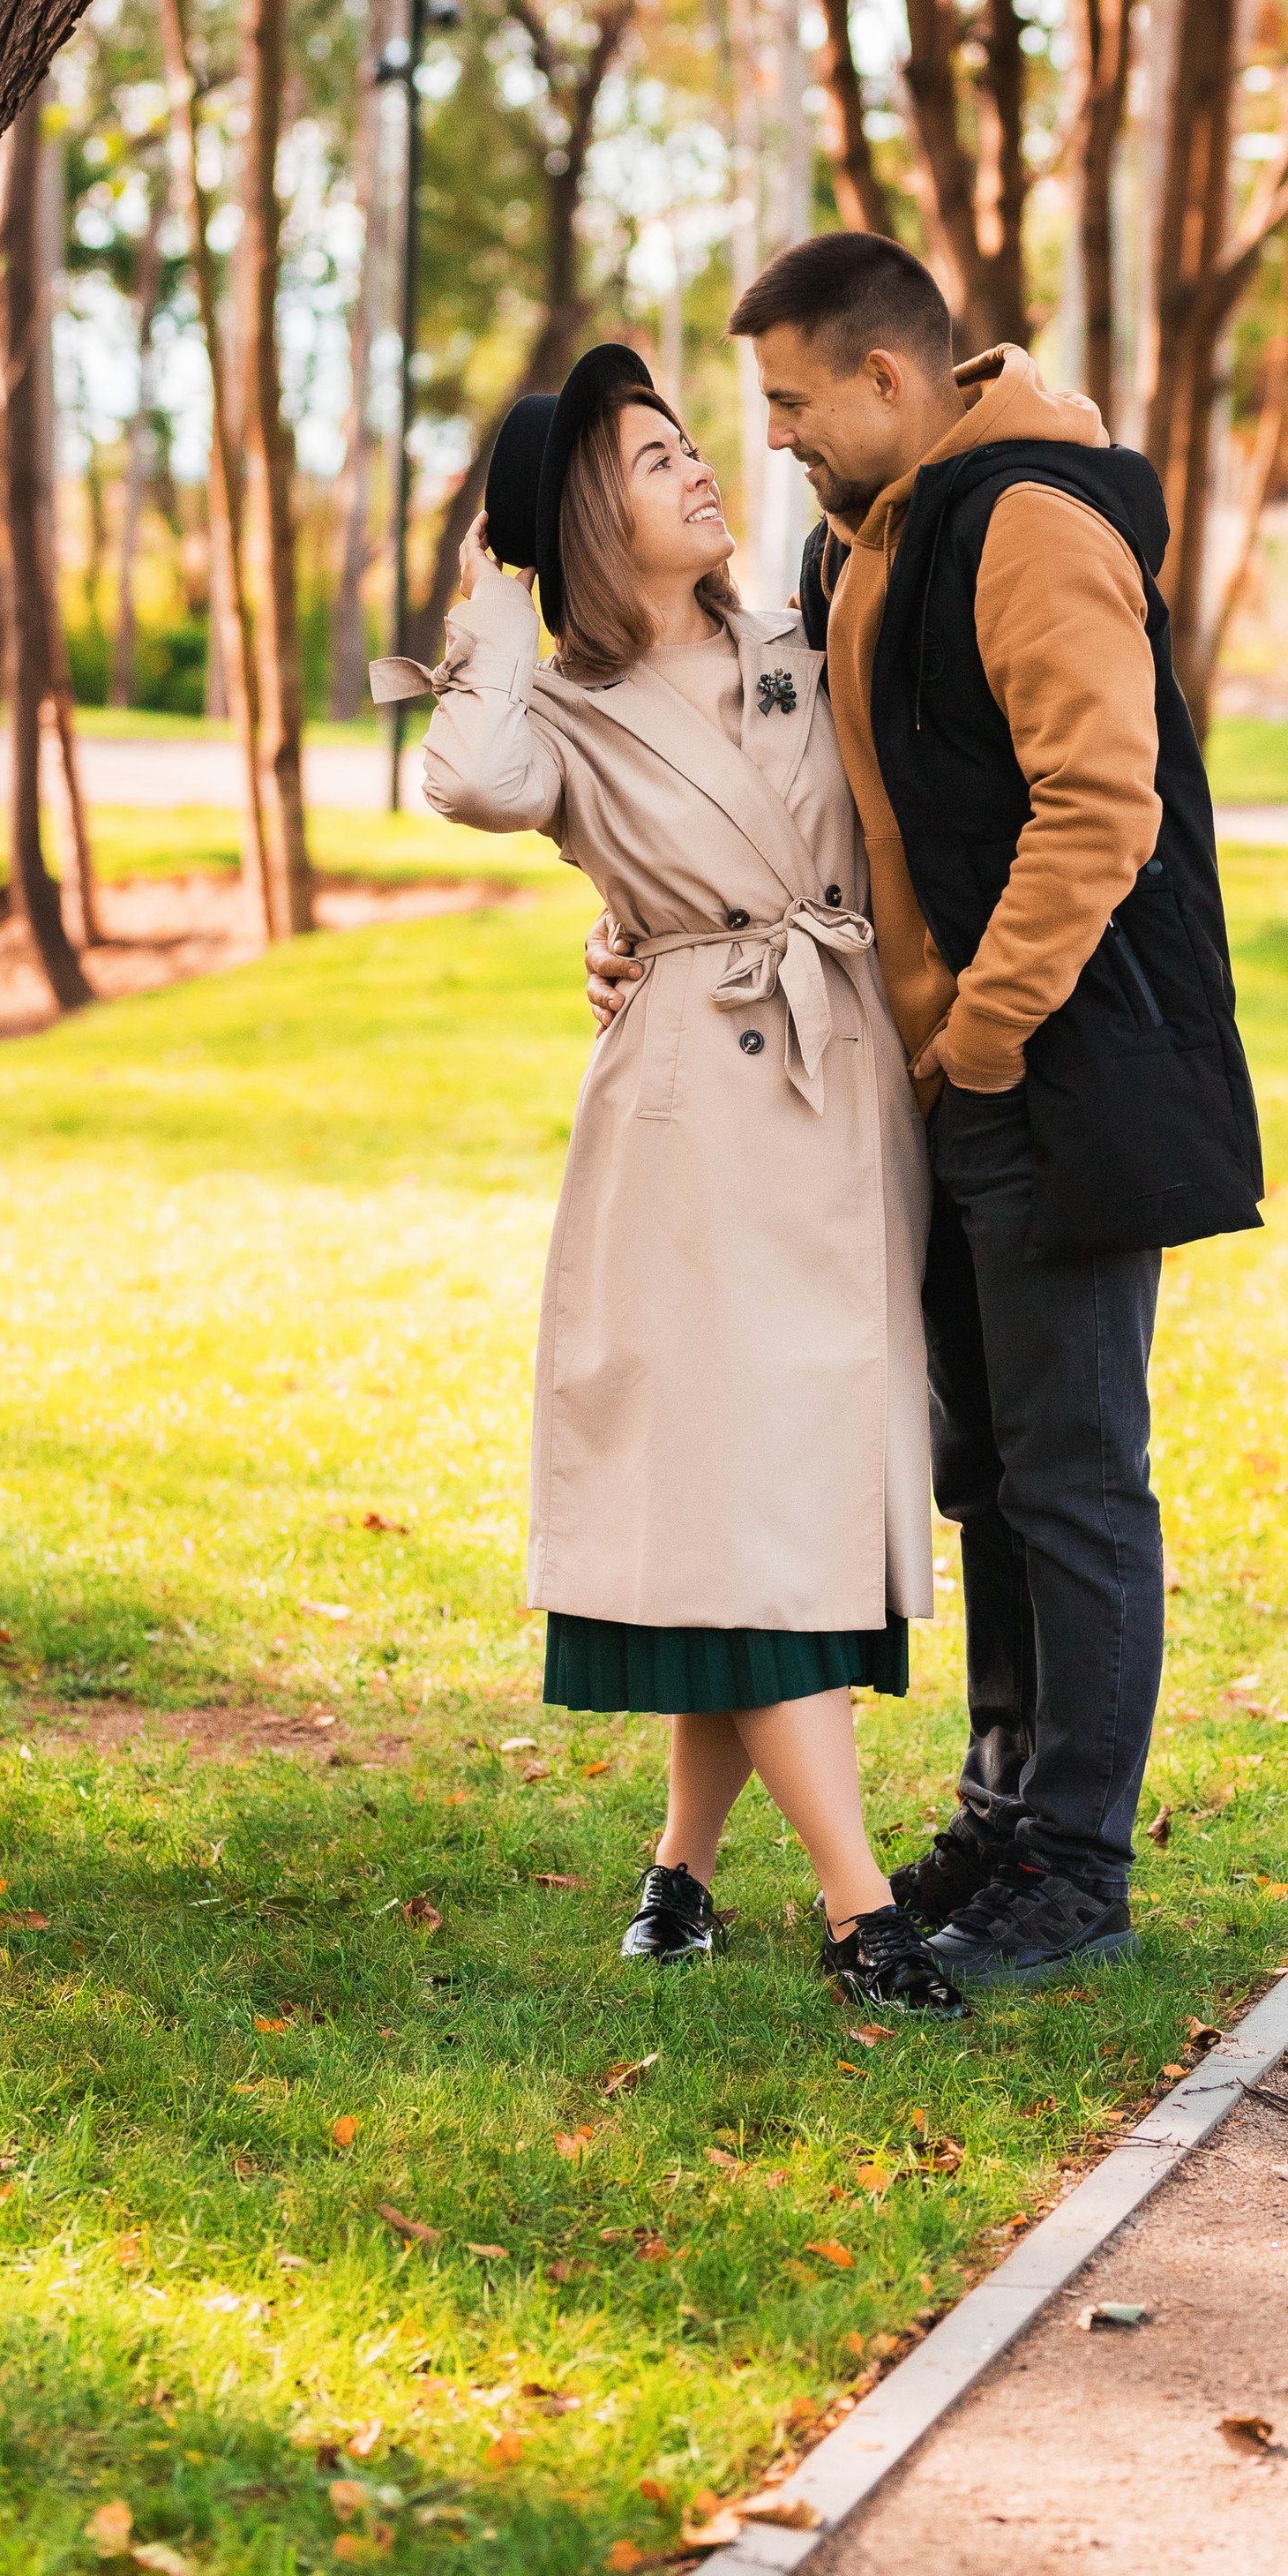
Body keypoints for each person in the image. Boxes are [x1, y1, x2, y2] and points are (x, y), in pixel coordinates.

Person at [590, 232, 1262, 1992]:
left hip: (1060, 1072)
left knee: (1075, 1477)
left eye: (799, 404)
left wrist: (975, 1031)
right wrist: (648, 922)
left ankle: (1078, 1867)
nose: (783, 440)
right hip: (946, 1088)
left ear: (887, 381)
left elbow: (1095, 805)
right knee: (991, 1479)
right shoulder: (859, 536)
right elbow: (813, 788)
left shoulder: (1027, 521)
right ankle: (1001, 1808)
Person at [371, 343, 967, 2021]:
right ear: (580, 523)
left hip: (841, 1098)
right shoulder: (555, 707)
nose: (702, 467)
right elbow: (476, 784)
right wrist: (493, 605)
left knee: (765, 1501)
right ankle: (864, 1917)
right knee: (751, 1499)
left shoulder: (803, 631)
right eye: (650, 460)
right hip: (697, 1126)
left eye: (691, 442)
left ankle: (683, 1876)